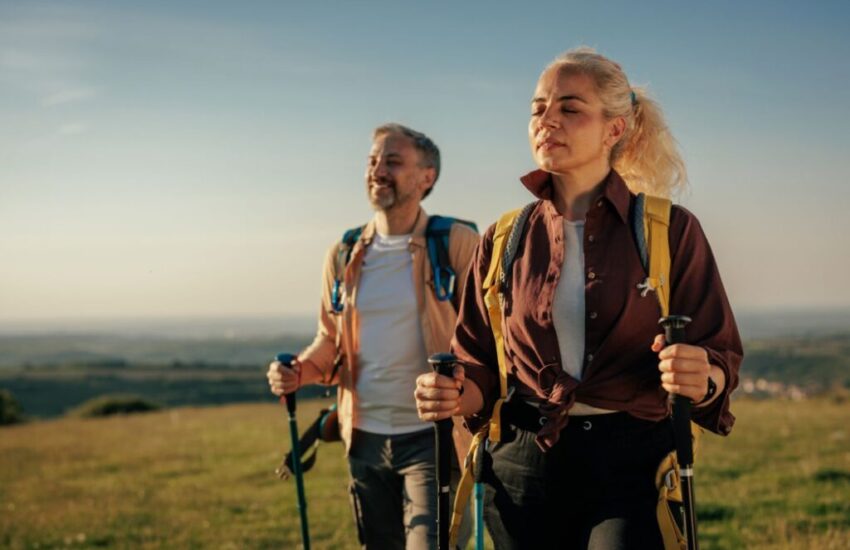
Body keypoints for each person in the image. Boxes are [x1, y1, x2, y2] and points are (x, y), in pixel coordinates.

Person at [414, 47, 743, 549]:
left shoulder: (670, 229)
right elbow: (477, 360)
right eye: (537, 108)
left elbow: (718, 351)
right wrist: (457, 392)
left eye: (570, 108)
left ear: (615, 129)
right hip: (520, 464)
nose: (547, 120)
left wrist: (705, 376)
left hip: (632, 468)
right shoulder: (504, 237)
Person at [267, 123, 479, 549]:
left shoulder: (456, 243)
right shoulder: (345, 253)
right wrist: (300, 371)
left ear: (427, 177)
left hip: (434, 437)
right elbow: (329, 339)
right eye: (372, 161)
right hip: (362, 437)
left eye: (393, 161)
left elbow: (485, 337)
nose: (377, 170)